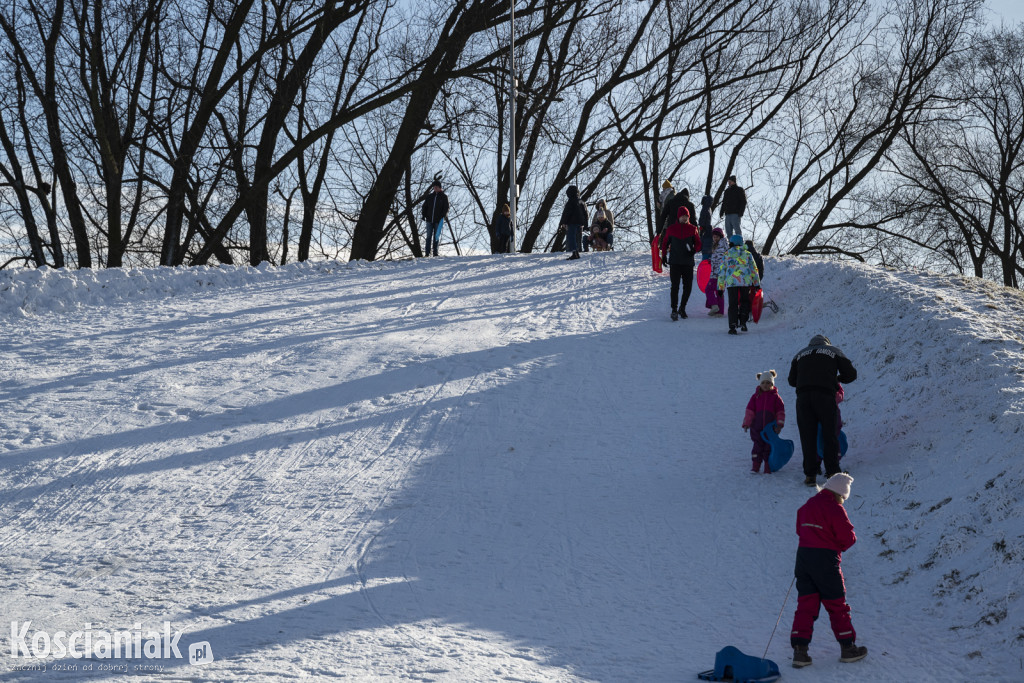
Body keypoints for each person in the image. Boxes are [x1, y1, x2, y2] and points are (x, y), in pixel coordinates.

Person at [790, 473, 868, 668]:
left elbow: (800, 528)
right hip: (825, 560)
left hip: (803, 558)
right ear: (840, 494)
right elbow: (848, 538)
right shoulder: (835, 508)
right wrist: (833, 545)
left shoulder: (808, 505)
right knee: (836, 604)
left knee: (806, 604)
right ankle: (848, 647)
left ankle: (800, 652)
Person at [787, 335, 858, 485]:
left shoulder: (799, 354)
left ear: (810, 345)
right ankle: (832, 472)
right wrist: (836, 379)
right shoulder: (834, 351)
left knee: (808, 436)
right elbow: (851, 374)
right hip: (825, 396)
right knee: (829, 435)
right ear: (827, 343)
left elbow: (792, 381)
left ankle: (810, 475)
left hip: (803, 398)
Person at [659, 206, 701, 320]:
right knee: (675, 286)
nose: (685, 218)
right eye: (683, 216)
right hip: (675, 262)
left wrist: (694, 250)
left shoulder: (693, 229)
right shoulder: (671, 229)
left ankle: (682, 307)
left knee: (688, 287)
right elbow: (665, 243)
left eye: (686, 216)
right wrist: (664, 256)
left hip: (688, 262)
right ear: (678, 217)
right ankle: (674, 310)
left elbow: (698, 243)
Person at [742, 370, 785, 474]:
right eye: (763, 383)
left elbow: (780, 412)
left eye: (768, 383)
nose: (765, 385)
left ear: (772, 384)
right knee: (757, 447)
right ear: (760, 384)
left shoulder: (776, 397)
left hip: (770, 429)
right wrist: (747, 423)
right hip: (756, 428)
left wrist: (779, 424)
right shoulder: (755, 397)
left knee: (768, 447)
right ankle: (755, 466)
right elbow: (750, 411)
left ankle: (767, 466)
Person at [717, 233, 760, 334]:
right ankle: (743, 322)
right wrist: (756, 283)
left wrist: (720, 287)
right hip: (745, 282)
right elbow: (754, 269)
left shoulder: (726, 254)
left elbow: (722, 271)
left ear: (731, 243)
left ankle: (732, 326)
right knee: (745, 302)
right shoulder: (748, 254)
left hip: (731, 283)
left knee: (733, 304)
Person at [559, 185, 588, 260]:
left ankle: (575, 252)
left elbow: (567, 213)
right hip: (580, 222)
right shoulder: (581, 201)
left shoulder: (570, 202)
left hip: (572, 222)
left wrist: (563, 222)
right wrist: (585, 224)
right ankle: (578, 250)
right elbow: (585, 213)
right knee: (578, 237)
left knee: (571, 237)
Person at [422, 180, 449, 257]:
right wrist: (424, 215)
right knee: (428, 236)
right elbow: (424, 206)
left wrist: (442, 216)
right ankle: (427, 253)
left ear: (440, 188)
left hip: (438, 220)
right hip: (429, 219)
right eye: (434, 187)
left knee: (436, 236)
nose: (435, 188)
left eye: (437, 187)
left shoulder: (444, 197)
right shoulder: (430, 196)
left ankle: (435, 253)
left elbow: (446, 208)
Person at [705, 228, 726, 316]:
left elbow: (721, 259)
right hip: (721, 273)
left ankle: (714, 306)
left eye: (717, 237)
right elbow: (718, 258)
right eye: (714, 237)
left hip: (717, 273)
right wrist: (711, 260)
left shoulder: (721, 246)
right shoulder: (719, 245)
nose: (715, 238)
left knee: (708, 289)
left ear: (720, 237)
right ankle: (720, 312)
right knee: (719, 291)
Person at [699, 194, 714, 259]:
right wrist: (702, 226)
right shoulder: (706, 208)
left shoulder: (706, 208)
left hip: (705, 227)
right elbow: (703, 218)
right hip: (705, 227)